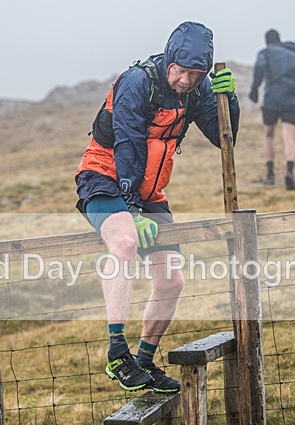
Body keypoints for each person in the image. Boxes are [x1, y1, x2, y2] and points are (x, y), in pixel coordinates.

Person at [74, 21, 240, 393]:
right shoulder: (137, 82)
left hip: (149, 193)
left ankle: (145, 361)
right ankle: (117, 353)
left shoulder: (197, 89)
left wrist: (228, 100)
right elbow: (128, 144)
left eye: (195, 75)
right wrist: (133, 213)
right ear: (168, 60)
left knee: (172, 280)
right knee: (124, 243)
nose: (185, 80)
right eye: (180, 71)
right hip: (103, 178)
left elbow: (224, 138)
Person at [249, 29, 295, 189]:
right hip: (290, 99)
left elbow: (259, 67)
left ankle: (270, 175)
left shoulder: (265, 53)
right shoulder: (294, 55)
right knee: (289, 136)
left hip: (271, 99)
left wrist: (254, 90)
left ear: (267, 42)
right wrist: (290, 84)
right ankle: (289, 171)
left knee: (269, 135)